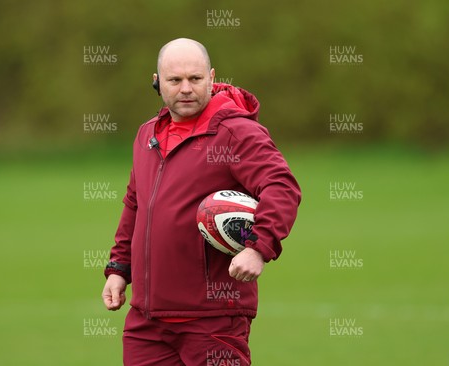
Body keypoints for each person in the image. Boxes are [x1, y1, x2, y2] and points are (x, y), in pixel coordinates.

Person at [101, 38, 301, 366]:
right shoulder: (146, 135)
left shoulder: (237, 132)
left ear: (211, 77)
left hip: (213, 320)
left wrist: (258, 247)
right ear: (156, 81)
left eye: (195, 79)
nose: (185, 89)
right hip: (147, 322)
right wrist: (120, 269)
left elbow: (282, 186)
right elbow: (135, 205)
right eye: (174, 80)